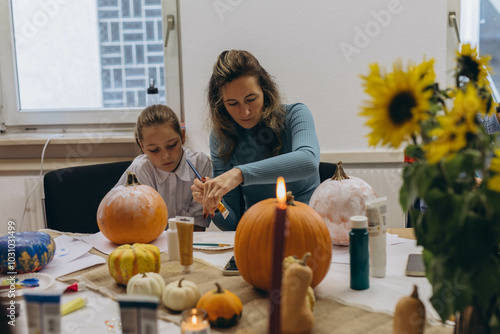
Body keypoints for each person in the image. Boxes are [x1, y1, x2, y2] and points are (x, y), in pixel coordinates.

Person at [191, 50, 320, 231]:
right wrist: (216, 204)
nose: (244, 112)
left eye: (251, 99)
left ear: (265, 92)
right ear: (221, 104)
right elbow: (232, 223)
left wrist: (239, 174)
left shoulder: (296, 115)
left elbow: (308, 161)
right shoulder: (221, 138)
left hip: (306, 229)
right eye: (233, 104)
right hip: (258, 235)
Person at [114, 104, 212, 230]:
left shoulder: (200, 163)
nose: (165, 156)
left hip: (187, 242)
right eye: (154, 150)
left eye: (171, 145)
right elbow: (130, 224)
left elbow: (198, 224)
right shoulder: (140, 170)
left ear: (182, 136)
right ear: (142, 146)